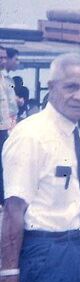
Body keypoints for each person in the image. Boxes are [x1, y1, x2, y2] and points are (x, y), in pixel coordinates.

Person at [0, 52, 80, 282]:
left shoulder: (77, 135)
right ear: (51, 88)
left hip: (74, 252)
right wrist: (9, 279)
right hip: (43, 254)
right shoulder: (31, 135)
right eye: (71, 87)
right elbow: (13, 211)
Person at [0, 46, 18, 206]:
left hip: (5, 125)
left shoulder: (6, 79)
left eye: (5, 57)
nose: (3, 61)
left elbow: (9, 100)